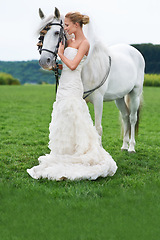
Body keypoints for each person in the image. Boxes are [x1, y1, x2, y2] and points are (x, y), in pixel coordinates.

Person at [27, 12, 117, 181]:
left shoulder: (84, 43)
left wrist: (61, 54)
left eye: (67, 25)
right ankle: (66, 152)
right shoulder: (70, 41)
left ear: (77, 25)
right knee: (64, 118)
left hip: (74, 85)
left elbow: (74, 65)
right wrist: (56, 64)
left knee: (76, 115)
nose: (65, 28)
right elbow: (65, 65)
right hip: (64, 85)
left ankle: (82, 153)